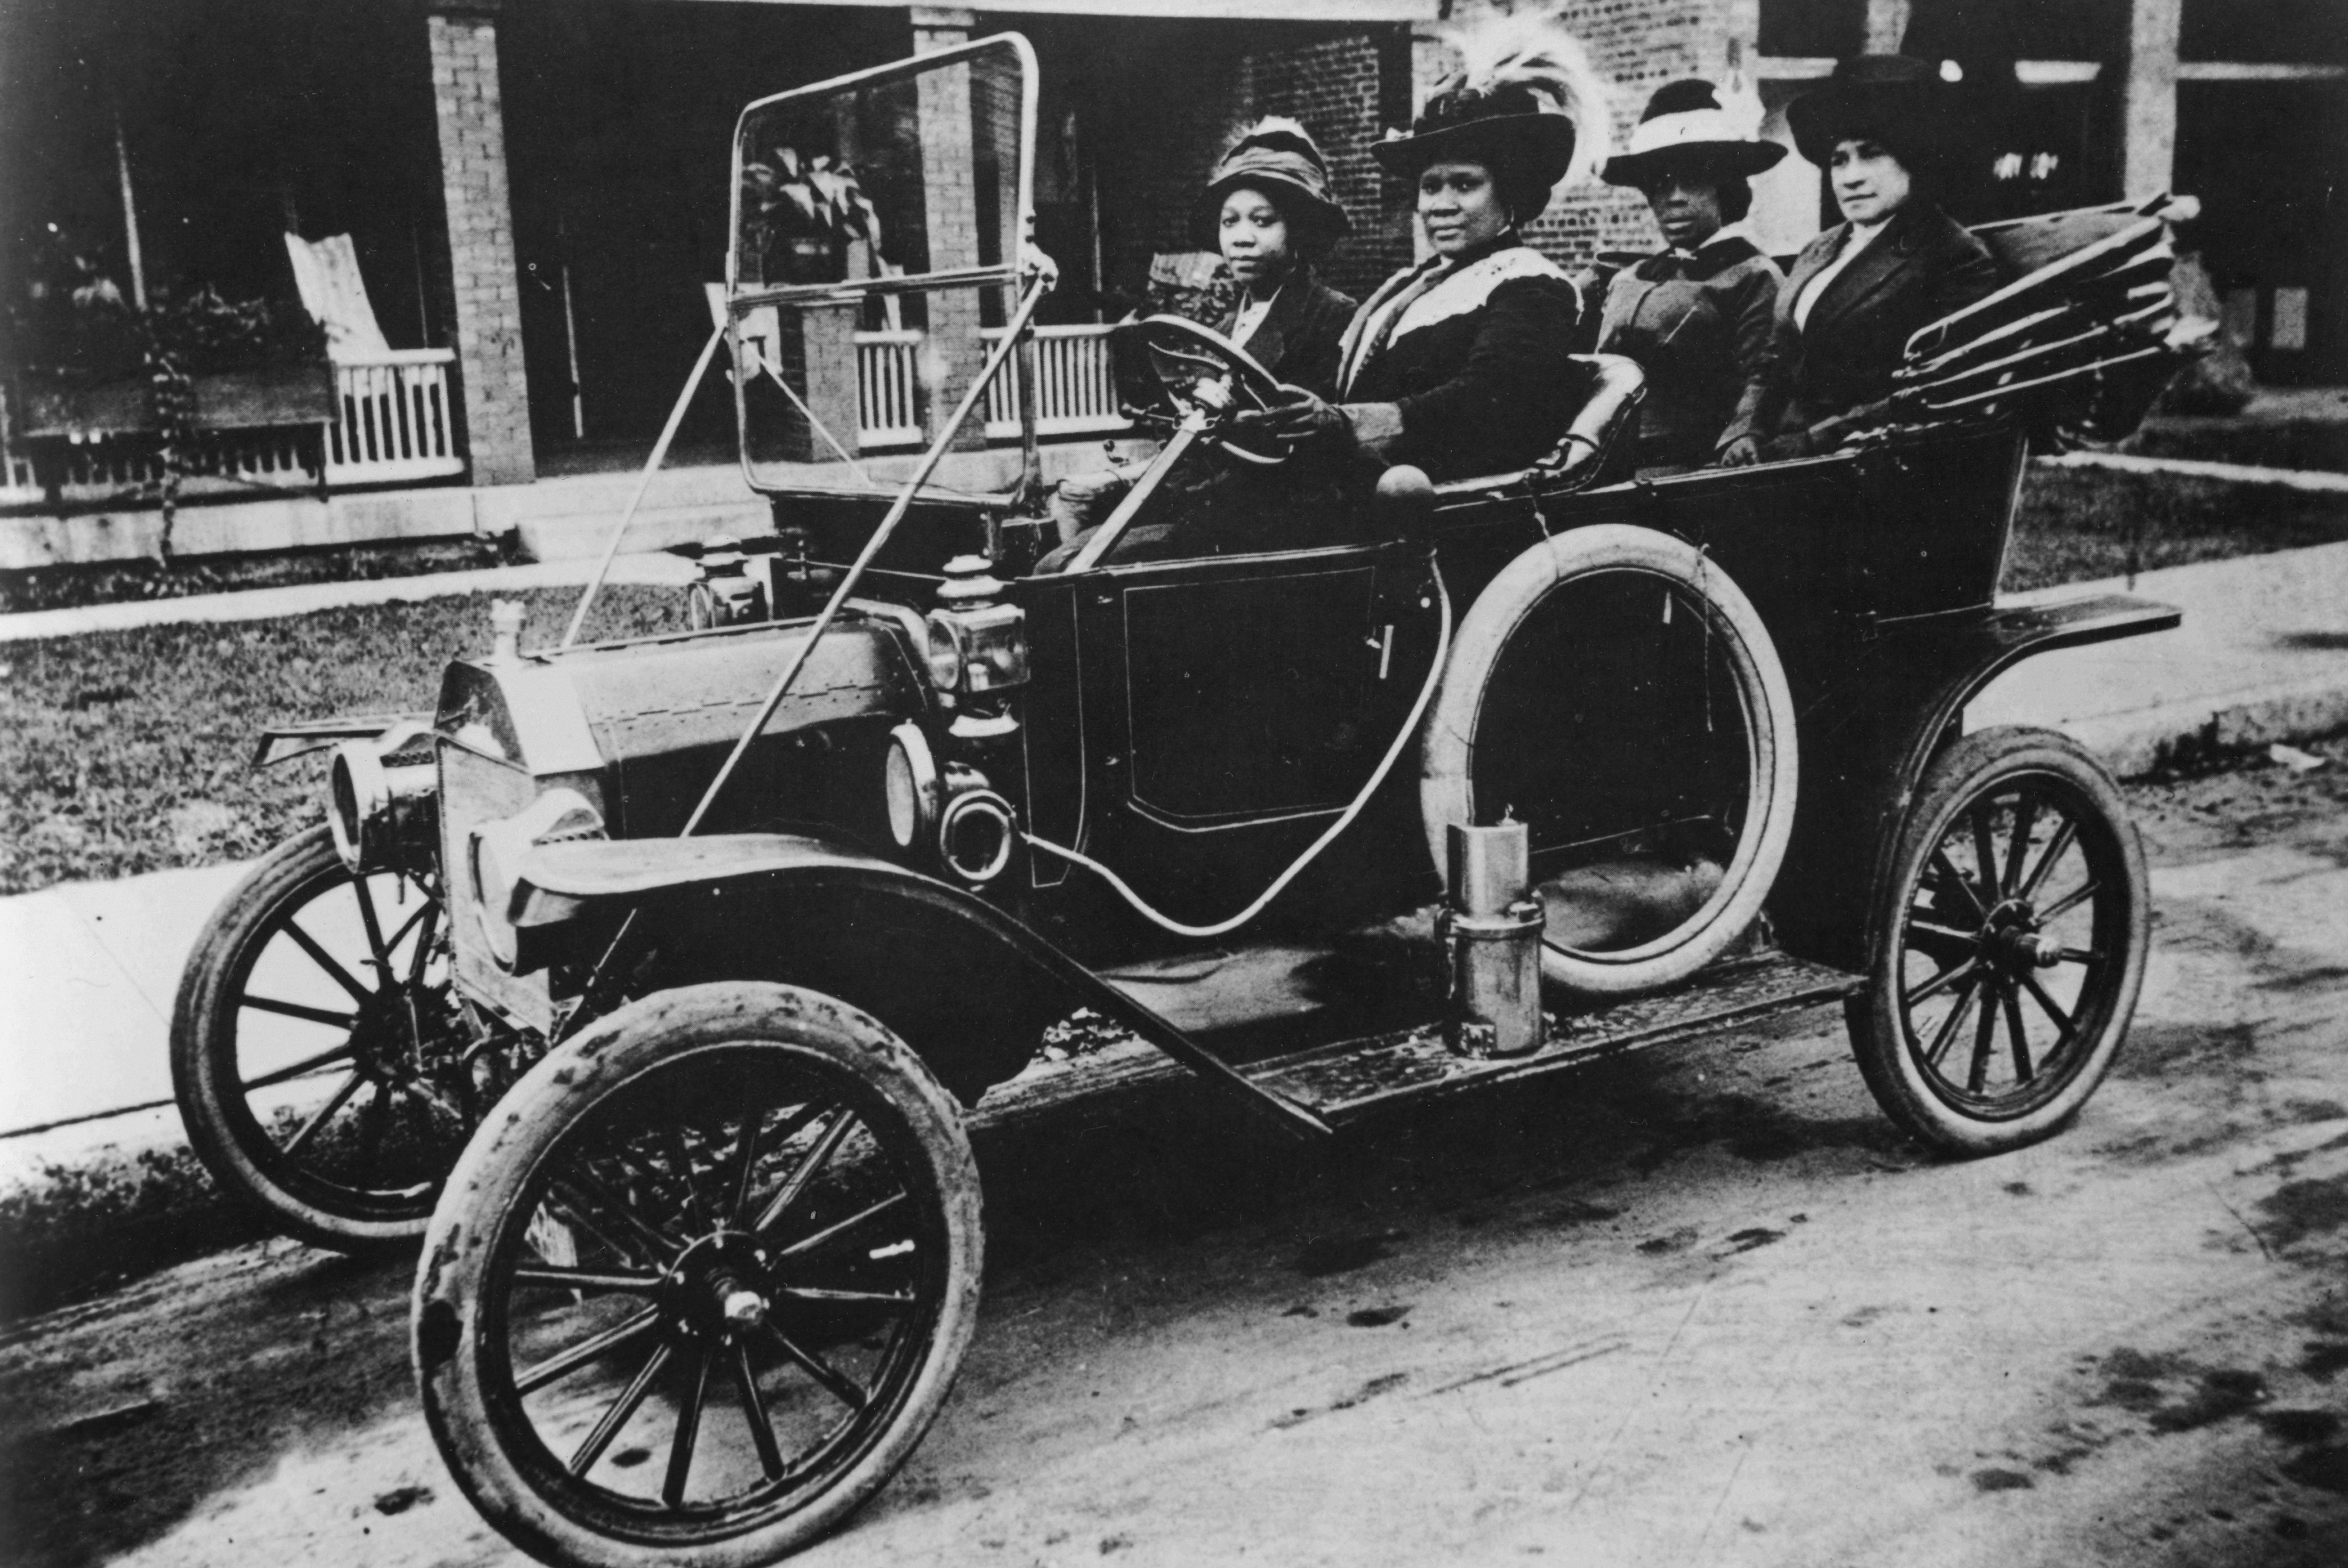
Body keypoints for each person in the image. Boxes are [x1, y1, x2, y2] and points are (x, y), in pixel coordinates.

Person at [1242, 20, 1603, 481]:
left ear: (1509, 192)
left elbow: (1488, 397)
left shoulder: (1532, 285)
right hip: (1359, 482)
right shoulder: (1405, 285)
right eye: (1430, 186)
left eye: (1466, 185)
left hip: (1440, 502)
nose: (1442, 205)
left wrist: (1344, 423)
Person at [1724, 54, 2001, 465]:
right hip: (1776, 457)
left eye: (1871, 154)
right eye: (1839, 160)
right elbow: (1775, 358)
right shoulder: (1820, 248)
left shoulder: (1952, 254)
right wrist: (1745, 431)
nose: (1850, 177)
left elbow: (1937, 386)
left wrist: (1811, 445)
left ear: (1915, 157)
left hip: (1866, 466)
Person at [1594, 79, 1786, 472]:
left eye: (1694, 180)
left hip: (1693, 465)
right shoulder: (1630, 276)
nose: (1675, 197)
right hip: (1606, 457)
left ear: (1725, 188)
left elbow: (1764, 374)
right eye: (1661, 184)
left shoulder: (1753, 275)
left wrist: (1741, 437)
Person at [1194, 118, 1358, 399]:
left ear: (1298, 231)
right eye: (1230, 221)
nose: (1242, 238)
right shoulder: (1220, 332)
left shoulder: (1332, 316)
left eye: (1263, 221)